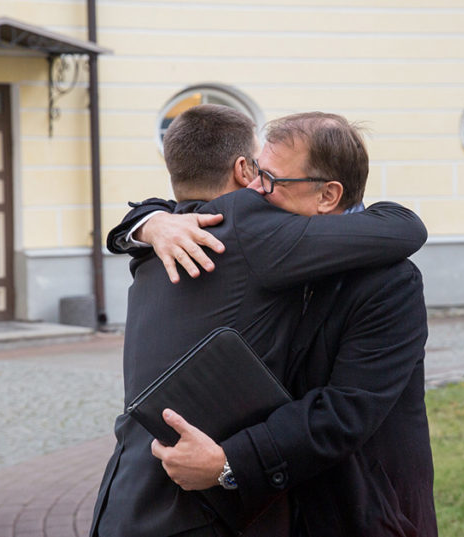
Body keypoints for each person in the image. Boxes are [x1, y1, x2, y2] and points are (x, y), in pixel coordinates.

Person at [90, 105, 427, 537]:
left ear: (328, 195)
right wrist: (150, 223)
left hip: (358, 510)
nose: (252, 189)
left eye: (269, 180)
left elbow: (346, 410)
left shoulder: (387, 280)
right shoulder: (197, 233)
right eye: (255, 173)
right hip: (224, 507)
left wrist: (229, 463)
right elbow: (177, 206)